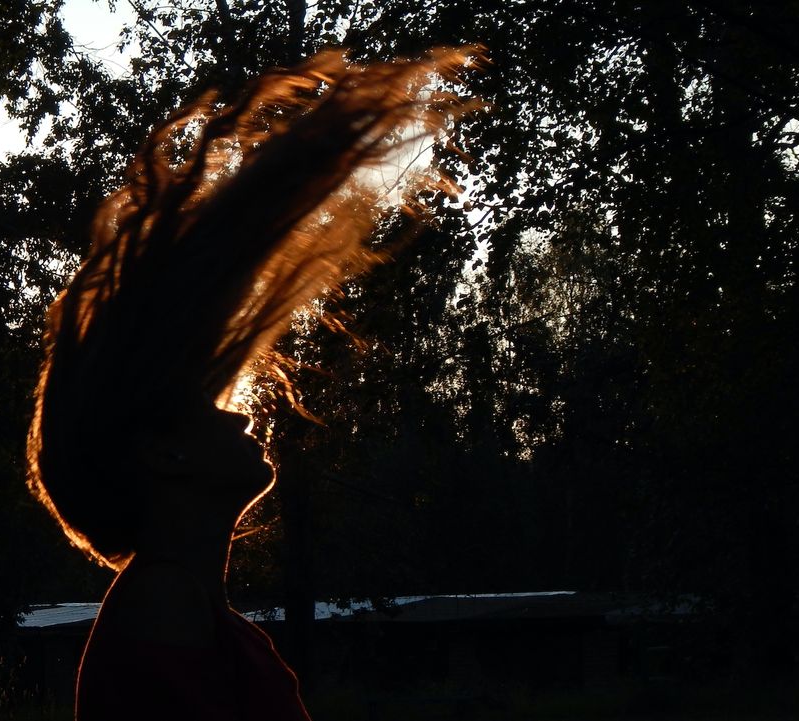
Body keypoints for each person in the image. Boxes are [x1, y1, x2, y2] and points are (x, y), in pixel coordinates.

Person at [27, 48, 479, 721]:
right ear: (164, 454)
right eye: (210, 408)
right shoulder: (163, 603)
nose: (241, 420)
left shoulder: (187, 608)